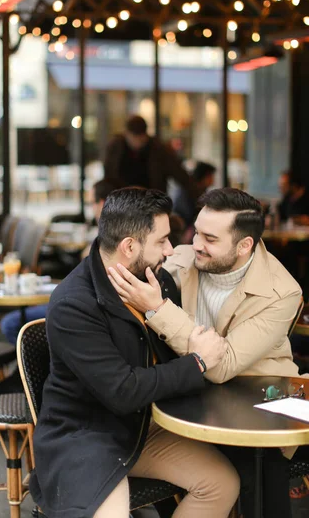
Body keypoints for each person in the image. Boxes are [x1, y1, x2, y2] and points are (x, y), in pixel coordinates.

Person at [30, 187, 239, 518]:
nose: (170, 251)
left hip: (144, 428)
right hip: (86, 436)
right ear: (129, 246)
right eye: (162, 241)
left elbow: (167, 362)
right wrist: (197, 363)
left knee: (222, 484)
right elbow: (123, 391)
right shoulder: (74, 304)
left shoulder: (156, 284)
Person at [108, 187, 302, 518]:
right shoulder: (182, 259)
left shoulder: (282, 292)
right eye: (196, 231)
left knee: (257, 469)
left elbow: (221, 365)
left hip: (258, 404)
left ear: (244, 246)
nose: (196, 243)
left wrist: (158, 309)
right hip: (194, 399)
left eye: (210, 238)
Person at [0, 178, 123, 400]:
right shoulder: (104, 231)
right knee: (21, 323)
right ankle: (25, 378)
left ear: (101, 203)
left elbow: (88, 261)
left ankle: (28, 379)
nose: (90, 208)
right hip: (79, 298)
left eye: (91, 202)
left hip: (85, 305)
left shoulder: (109, 235)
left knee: (14, 323)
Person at [104, 115, 195, 196]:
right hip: (120, 200)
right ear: (126, 134)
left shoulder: (158, 149)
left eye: (140, 139)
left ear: (145, 135)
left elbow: (180, 175)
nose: (137, 142)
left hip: (151, 200)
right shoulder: (115, 147)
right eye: (134, 138)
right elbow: (108, 175)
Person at [173, 161, 216, 229]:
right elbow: (187, 213)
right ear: (204, 176)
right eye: (210, 176)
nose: (213, 179)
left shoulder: (200, 190)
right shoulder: (191, 190)